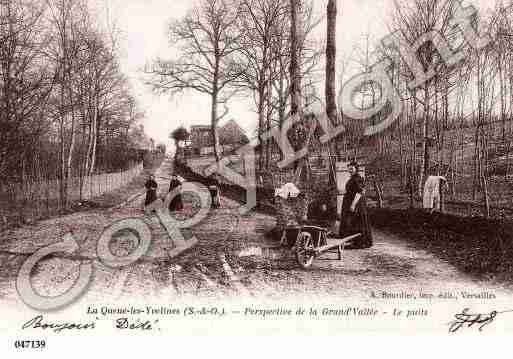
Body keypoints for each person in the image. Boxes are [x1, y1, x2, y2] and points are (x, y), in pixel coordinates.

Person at [336, 160, 373, 249]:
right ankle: (354, 241)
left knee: (357, 222)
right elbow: (351, 190)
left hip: (357, 204)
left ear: (356, 169)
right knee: (352, 222)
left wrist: (353, 205)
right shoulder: (352, 178)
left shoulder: (357, 179)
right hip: (350, 202)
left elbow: (359, 193)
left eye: (352, 169)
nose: (350, 170)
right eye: (349, 169)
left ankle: (361, 242)